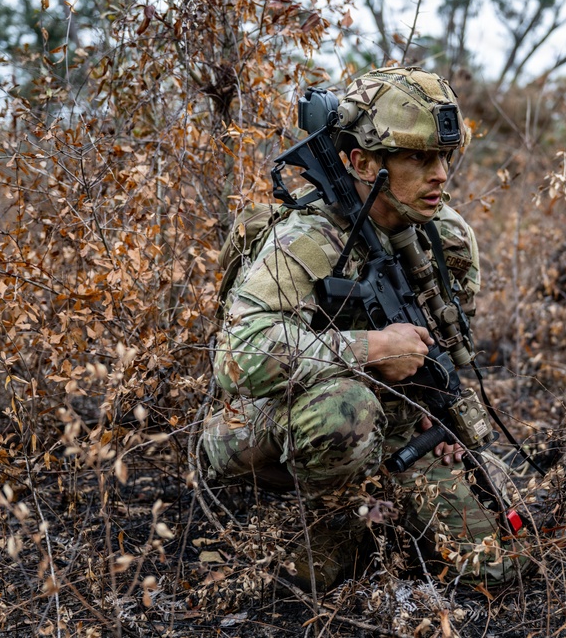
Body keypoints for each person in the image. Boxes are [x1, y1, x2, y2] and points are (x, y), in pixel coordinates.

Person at [201, 66, 525, 592]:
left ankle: (387, 504)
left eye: (444, 157)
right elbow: (239, 356)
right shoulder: (308, 238)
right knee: (343, 410)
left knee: (500, 566)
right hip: (265, 423)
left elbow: (441, 347)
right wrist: (371, 348)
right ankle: (337, 525)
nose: (440, 174)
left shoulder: (449, 240)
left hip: (394, 425)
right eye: (418, 158)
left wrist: (436, 421)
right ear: (361, 162)